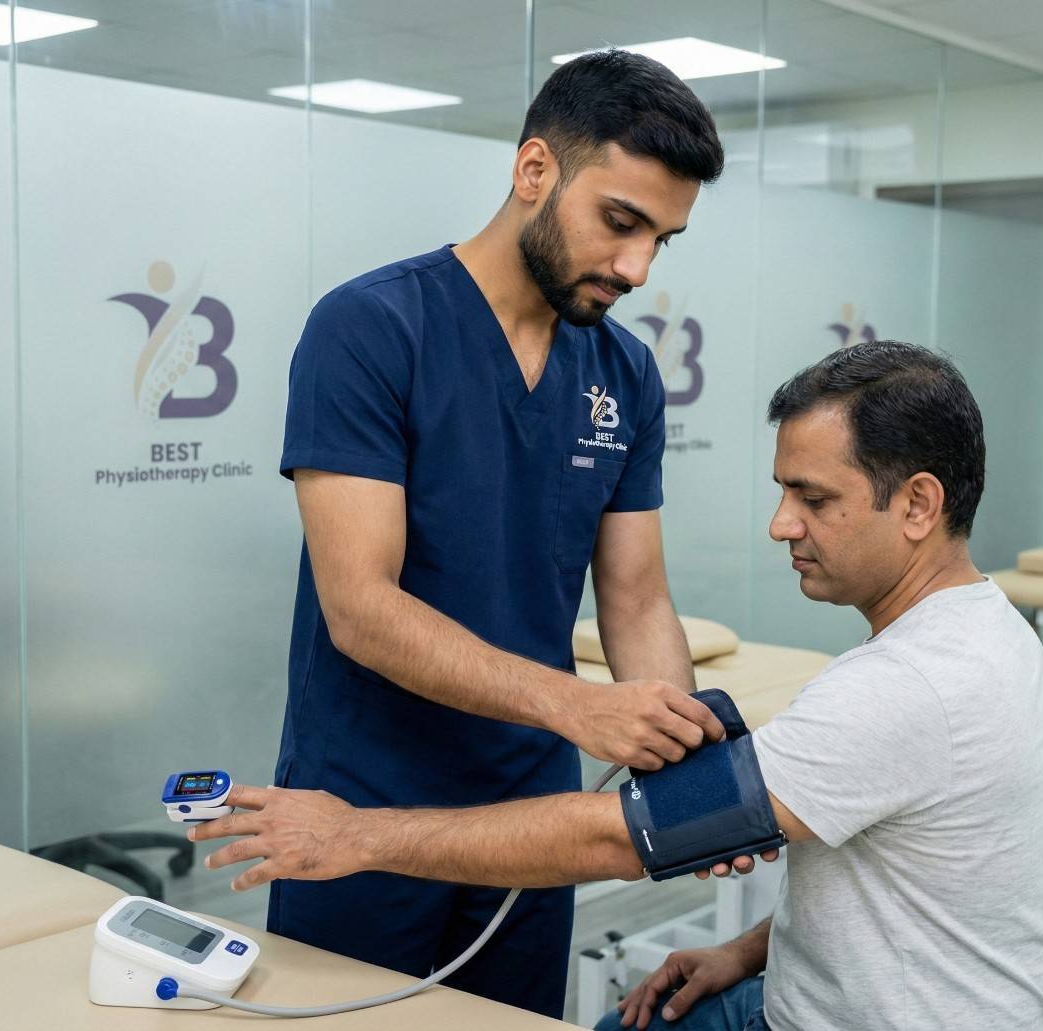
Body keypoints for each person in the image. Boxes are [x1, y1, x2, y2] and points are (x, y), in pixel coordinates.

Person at [200, 341, 1043, 1031]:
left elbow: (626, 839)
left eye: (813, 498)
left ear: (918, 505)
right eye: (783, 493)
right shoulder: (992, 631)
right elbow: (922, 891)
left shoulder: (909, 685)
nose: (781, 524)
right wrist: (756, 948)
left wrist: (354, 833)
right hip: (805, 992)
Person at [269, 50, 731, 1018]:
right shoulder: (372, 328)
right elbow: (360, 606)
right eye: (619, 222)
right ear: (533, 172)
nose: (636, 267)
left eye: (663, 240)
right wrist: (575, 705)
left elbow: (637, 597)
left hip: (532, 812)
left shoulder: (625, 373)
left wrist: (692, 773)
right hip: (363, 800)